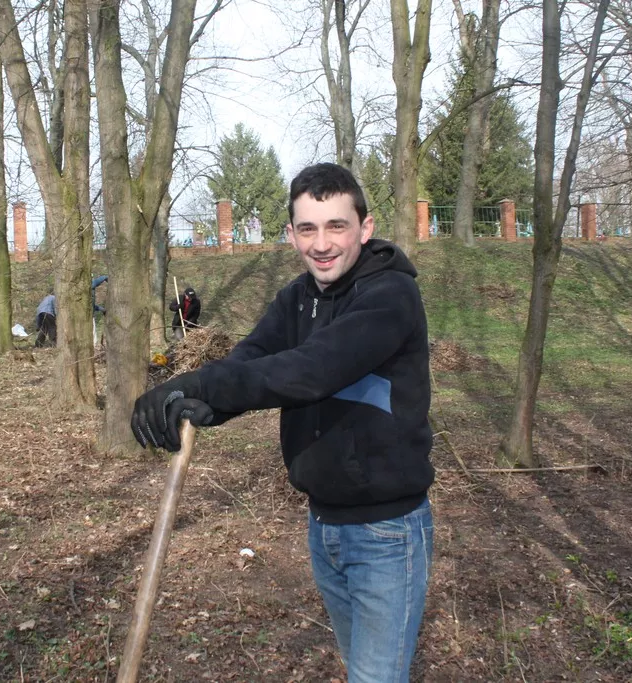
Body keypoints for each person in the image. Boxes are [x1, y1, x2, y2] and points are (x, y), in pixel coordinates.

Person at [130, 163, 434, 682]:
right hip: (324, 526)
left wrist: (206, 387)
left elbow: (313, 369)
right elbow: (253, 358)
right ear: (291, 234)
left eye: (336, 226)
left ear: (365, 227)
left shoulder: (389, 296)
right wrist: (199, 399)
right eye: (308, 228)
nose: (322, 243)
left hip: (387, 533)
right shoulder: (298, 299)